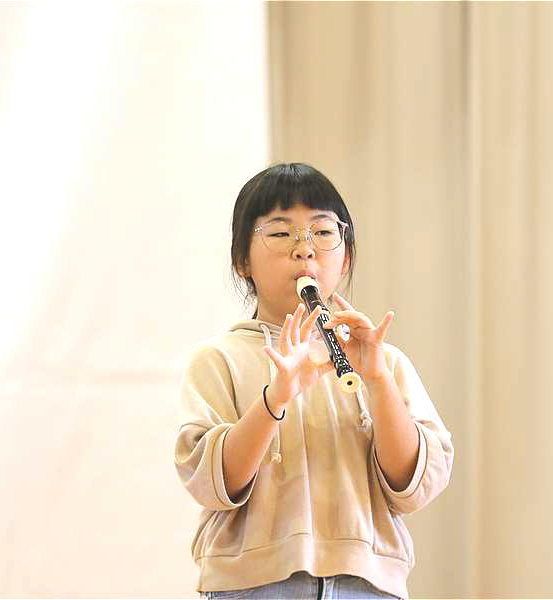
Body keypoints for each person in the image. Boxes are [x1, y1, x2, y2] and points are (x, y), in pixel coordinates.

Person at [174, 163, 454, 600]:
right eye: (280, 233)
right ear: (242, 260)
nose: (304, 250)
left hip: (367, 586)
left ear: (347, 256)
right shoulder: (219, 358)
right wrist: (276, 399)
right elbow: (213, 484)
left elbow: (412, 487)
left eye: (323, 233)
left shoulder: (384, 361)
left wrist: (377, 380)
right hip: (254, 587)